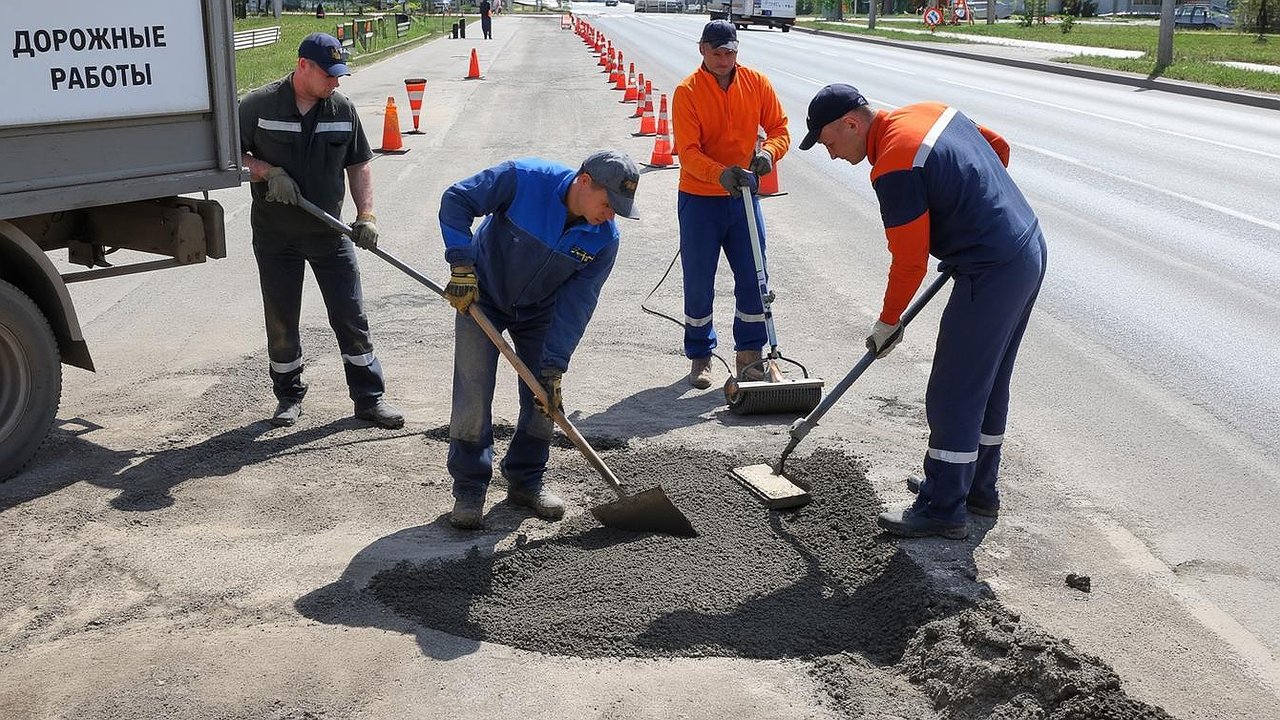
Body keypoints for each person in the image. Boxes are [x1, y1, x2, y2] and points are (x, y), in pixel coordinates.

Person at [798, 83, 1047, 540]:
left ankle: (942, 507)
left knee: (954, 389)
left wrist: (889, 321)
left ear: (851, 124)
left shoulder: (894, 164)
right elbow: (998, 147)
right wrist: (975, 214)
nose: (831, 155)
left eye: (830, 143)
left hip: (991, 270)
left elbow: (910, 260)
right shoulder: (929, 111)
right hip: (1025, 246)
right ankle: (975, 489)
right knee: (986, 384)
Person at [438, 151, 640, 530]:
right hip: (480, 295)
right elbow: (457, 199)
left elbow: (578, 304)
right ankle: (469, 489)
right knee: (473, 393)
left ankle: (526, 481)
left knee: (544, 400)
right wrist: (461, 264)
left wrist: (554, 365)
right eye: (609, 203)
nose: (610, 214)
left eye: (619, 209)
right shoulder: (523, 179)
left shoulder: (603, 240)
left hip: (540, 313)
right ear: (584, 181)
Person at [238, 33, 404, 430]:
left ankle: (369, 398)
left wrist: (367, 215)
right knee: (281, 318)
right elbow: (229, 154)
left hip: (330, 234)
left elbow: (359, 163)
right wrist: (266, 171)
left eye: (338, 74)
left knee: (350, 315)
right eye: (329, 75)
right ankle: (288, 395)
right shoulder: (258, 105)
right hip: (276, 236)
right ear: (303, 66)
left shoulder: (341, 109)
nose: (336, 82)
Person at [671, 20, 788, 391]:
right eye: (717, 53)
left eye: (731, 52)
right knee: (699, 279)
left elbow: (780, 129)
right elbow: (687, 153)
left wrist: (769, 154)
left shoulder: (757, 83)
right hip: (699, 200)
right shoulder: (687, 91)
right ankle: (700, 356)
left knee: (755, 277)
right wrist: (719, 174)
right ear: (702, 49)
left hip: (742, 201)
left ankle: (750, 357)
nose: (724, 60)